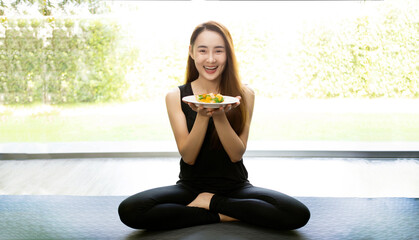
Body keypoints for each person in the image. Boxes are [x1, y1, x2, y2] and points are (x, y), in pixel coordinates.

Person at [118, 21, 310, 231]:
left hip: (235, 187)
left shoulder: (245, 94)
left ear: (228, 54)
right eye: (203, 51)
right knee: (131, 210)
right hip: (190, 188)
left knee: (296, 213)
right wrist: (202, 114)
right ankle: (226, 215)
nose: (210, 59)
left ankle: (211, 204)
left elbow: (236, 154)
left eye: (219, 51)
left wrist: (219, 116)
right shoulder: (175, 96)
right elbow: (188, 156)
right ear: (191, 52)